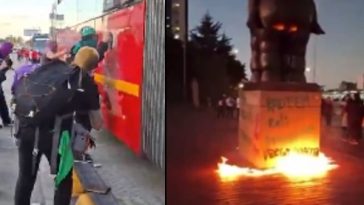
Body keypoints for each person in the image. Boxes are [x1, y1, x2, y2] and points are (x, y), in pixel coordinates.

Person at [14, 47, 102, 205]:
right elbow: (97, 123)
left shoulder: (51, 68)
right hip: (56, 137)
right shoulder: (85, 81)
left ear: (75, 57)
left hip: (26, 129)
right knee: (63, 179)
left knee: (25, 178)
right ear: (94, 66)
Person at [0, 41, 14, 127]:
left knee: (2, 101)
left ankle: (6, 120)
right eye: (10, 50)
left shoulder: (4, 57)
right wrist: (3, 67)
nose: (10, 52)